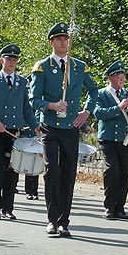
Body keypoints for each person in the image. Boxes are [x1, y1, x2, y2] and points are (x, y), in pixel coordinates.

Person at [30, 22, 98, 237]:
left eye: (65, 39)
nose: (63, 42)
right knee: (53, 171)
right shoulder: (42, 66)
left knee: (69, 173)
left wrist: (86, 112)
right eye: (58, 39)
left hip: (70, 127)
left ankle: (64, 221)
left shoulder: (79, 66)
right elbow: (33, 99)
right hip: (50, 127)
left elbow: (94, 90)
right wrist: (51, 105)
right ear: (51, 43)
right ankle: (51, 219)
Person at [0, 44, 40, 220]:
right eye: (9, 58)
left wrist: (35, 125)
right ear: (1, 60)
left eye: (15, 59)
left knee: (13, 169)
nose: (12, 62)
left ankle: (8, 208)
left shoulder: (22, 82)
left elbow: (26, 109)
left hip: (15, 132)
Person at [93, 60, 128, 220]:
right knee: (112, 170)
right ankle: (109, 206)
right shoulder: (101, 94)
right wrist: (118, 108)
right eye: (118, 74)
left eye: (123, 74)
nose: (121, 77)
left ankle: (120, 207)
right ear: (110, 77)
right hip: (108, 138)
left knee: (124, 172)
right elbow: (98, 113)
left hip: (126, 138)